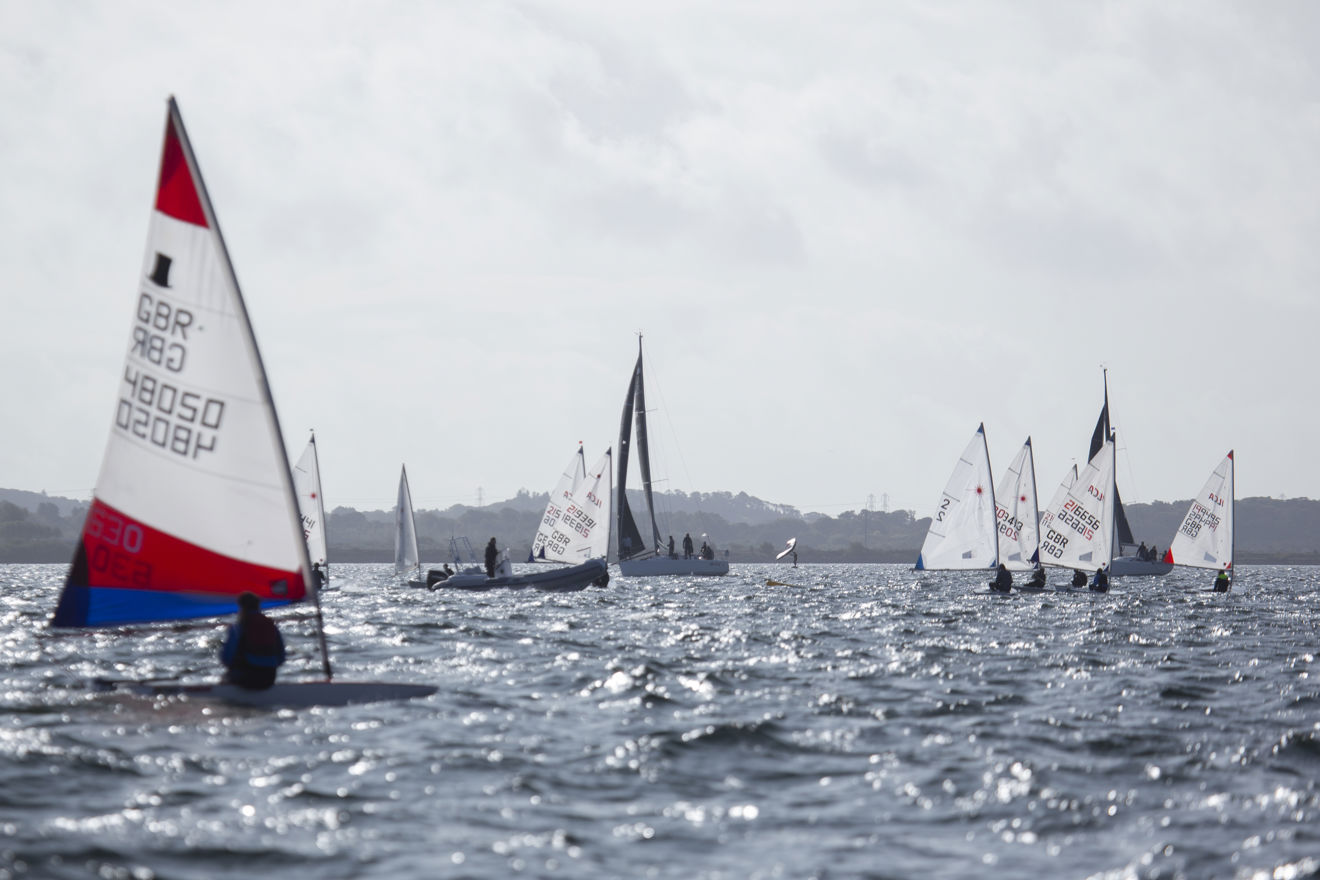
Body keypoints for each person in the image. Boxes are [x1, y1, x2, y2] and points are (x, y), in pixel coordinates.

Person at [219, 591, 285, 690]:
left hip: (246, 678)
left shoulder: (238, 627)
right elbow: (281, 658)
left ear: (241, 607)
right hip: (270, 677)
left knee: (225, 678)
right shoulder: (271, 626)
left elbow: (227, 659)